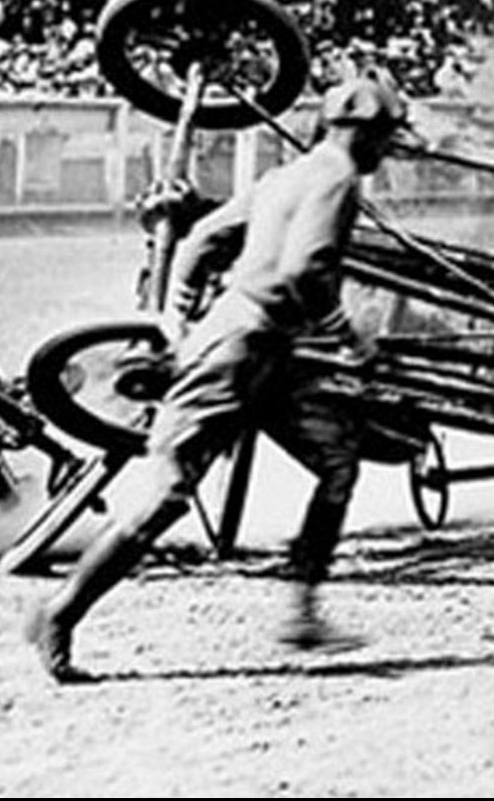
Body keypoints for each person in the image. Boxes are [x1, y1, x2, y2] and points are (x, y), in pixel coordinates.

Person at [26, 78, 410, 682]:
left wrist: (177, 316)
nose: (386, 152)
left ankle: (302, 615)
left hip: (264, 350)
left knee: (338, 463)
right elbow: (307, 270)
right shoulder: (337, 180)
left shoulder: (283, 177)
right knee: (167, 496)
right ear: (359, 130)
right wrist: (349, 336)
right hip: (241, 351)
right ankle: (59, 612)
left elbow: (203, 240)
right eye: (386, 138)